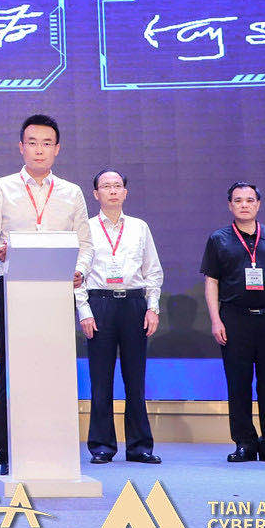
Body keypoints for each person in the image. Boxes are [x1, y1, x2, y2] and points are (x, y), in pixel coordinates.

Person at [0, 114, 90, 475]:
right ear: (21, 147)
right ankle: (9, 453)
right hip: (13, 289)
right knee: (12, 369)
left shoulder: (72, 192)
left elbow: (85, 244)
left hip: (57, 292)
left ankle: (55, 450)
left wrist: (80, 270)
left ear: (57, 149)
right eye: (32, 143)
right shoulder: (1, 188)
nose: (39, 150)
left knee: (54, 369)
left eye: (46, 143)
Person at [202, 181, 265, 464]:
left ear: (258, 204)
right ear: (230, 205)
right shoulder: (219, 239)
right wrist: (216, 320)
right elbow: (211, 282)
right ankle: (244, 442)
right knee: (238, 383)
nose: (244, 205)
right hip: (234, 319)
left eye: (249, 200)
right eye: (238, 200)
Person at [75, 168, 164, 465]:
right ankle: (102, 446)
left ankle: (140, 447)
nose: (112, 190)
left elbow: (153, 271)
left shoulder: (140, 227)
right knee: (101, 380)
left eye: (117, 186)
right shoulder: (85, 229)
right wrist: (84, 311)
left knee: (135, 379)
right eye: (106, 186)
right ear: (95, 194)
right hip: (99, 304)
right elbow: (76, 276)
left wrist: (152, 307)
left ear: (125, 192)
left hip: (134, 305)